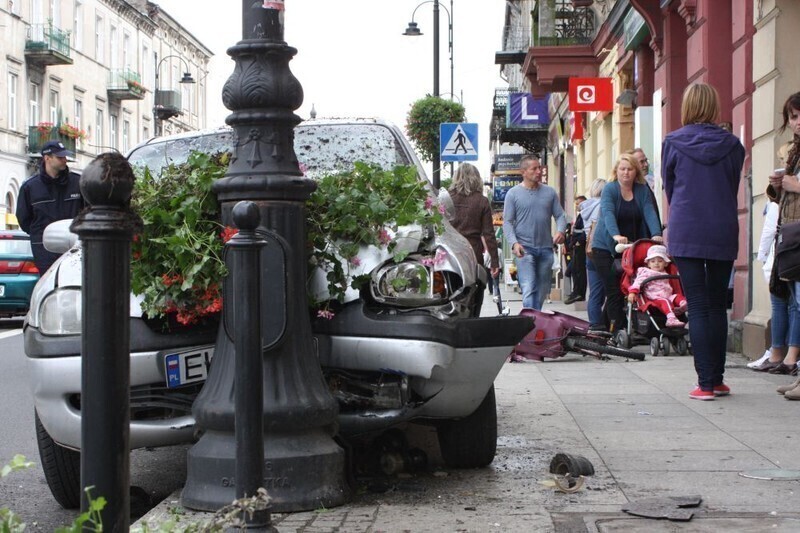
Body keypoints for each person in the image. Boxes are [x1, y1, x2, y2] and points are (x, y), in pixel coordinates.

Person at [662, 82, 745, 401]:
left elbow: (670, 187)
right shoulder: (733, 145)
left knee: (696, 304)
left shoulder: (673, 142)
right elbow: (733, 182)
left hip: (687, 227)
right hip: (722, 226)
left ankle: (705, 383)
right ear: (714, 106)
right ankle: (718, 378)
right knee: (716, 304)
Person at [591, 154, 662, 334]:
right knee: (613, 290)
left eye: (630, 169)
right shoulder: (610, 189)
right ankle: (617, 331)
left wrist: (656, 234)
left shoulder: (642, 190)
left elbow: (649, 212)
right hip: (606, 247)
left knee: (630, 288)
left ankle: (609, 328)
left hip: (631, 247)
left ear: (635, 172)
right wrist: (616, 234)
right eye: (622, 169)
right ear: (616, 171)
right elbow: (608, 213)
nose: (626, 173)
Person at [767, 92, 800, 397]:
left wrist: (796, 185)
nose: (797, 122)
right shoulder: (795, 152)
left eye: (799, 115)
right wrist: (778, 188)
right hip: (792, 233)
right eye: (792, 116)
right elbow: (787, 199)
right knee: (795, 300)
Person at [503, 155, 566, 310]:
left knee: (543, 288)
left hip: (546, 248)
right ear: (523, 172)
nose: (539, 171)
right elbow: (508, 222)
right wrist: (514, 243)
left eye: (539, 167)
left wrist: (560, 230)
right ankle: (532, 323)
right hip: (524, 248)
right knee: (529, 286)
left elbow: (560, 215)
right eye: (534, 168)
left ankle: (533, 318)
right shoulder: (513, 194)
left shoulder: (549, 192)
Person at [17, 140, 85, 274]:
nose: (64, 160)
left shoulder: (78, 182)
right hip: (44, 252)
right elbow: (24, 220)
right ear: (47, 158)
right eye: (60, 157)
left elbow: (88, 213)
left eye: (65, 157)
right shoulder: (30, 187)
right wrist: (41, 235)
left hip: (74, 249)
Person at [752, 198, 799, 375]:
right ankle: (781, 354)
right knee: (787, 304)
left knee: (791, 305)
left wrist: (763, 257)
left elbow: (770, 229)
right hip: (784, 253)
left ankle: (783, 355)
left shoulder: (790, 189)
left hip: (786, 253)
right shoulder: (784, 193)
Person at [448, 162, 499, 315]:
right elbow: (488, 234)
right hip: (473, 255)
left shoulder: (446, 199)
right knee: (476, 293)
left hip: (449, 255)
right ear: (477, 179)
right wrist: (495, 262)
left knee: (451, 292)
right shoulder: (482, 201)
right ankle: (472, 319)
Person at [626, 244, 688, 328]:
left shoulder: (666, 273)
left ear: (665, 263)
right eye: (653, 261)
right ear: (648, 264)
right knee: (665, 301)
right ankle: (671, 319)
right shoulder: (646, 272)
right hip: (655, 298)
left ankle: (684, 306)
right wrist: (632, 292)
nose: (656, 263)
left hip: (669, 296)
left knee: (678, 296)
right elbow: (638, 282)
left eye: (660, 261)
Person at [580, 178, 607, 330]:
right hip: (602, 250)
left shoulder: (586, 207)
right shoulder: (603, 206)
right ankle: (602, 324)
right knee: (611, 291)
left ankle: (595, 324)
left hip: (589, 252)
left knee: (595, 292)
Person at [565, 195, 587, 304]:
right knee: (573, 270)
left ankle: (579, 292)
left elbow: (586, 230)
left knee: (579, 270)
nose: (578, 206)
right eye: (577, 204)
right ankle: (575, 291)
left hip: (581, 246)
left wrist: (578, 242)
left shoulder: (585, 214)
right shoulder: (579, 215)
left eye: (580, 203)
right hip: (575, 246)